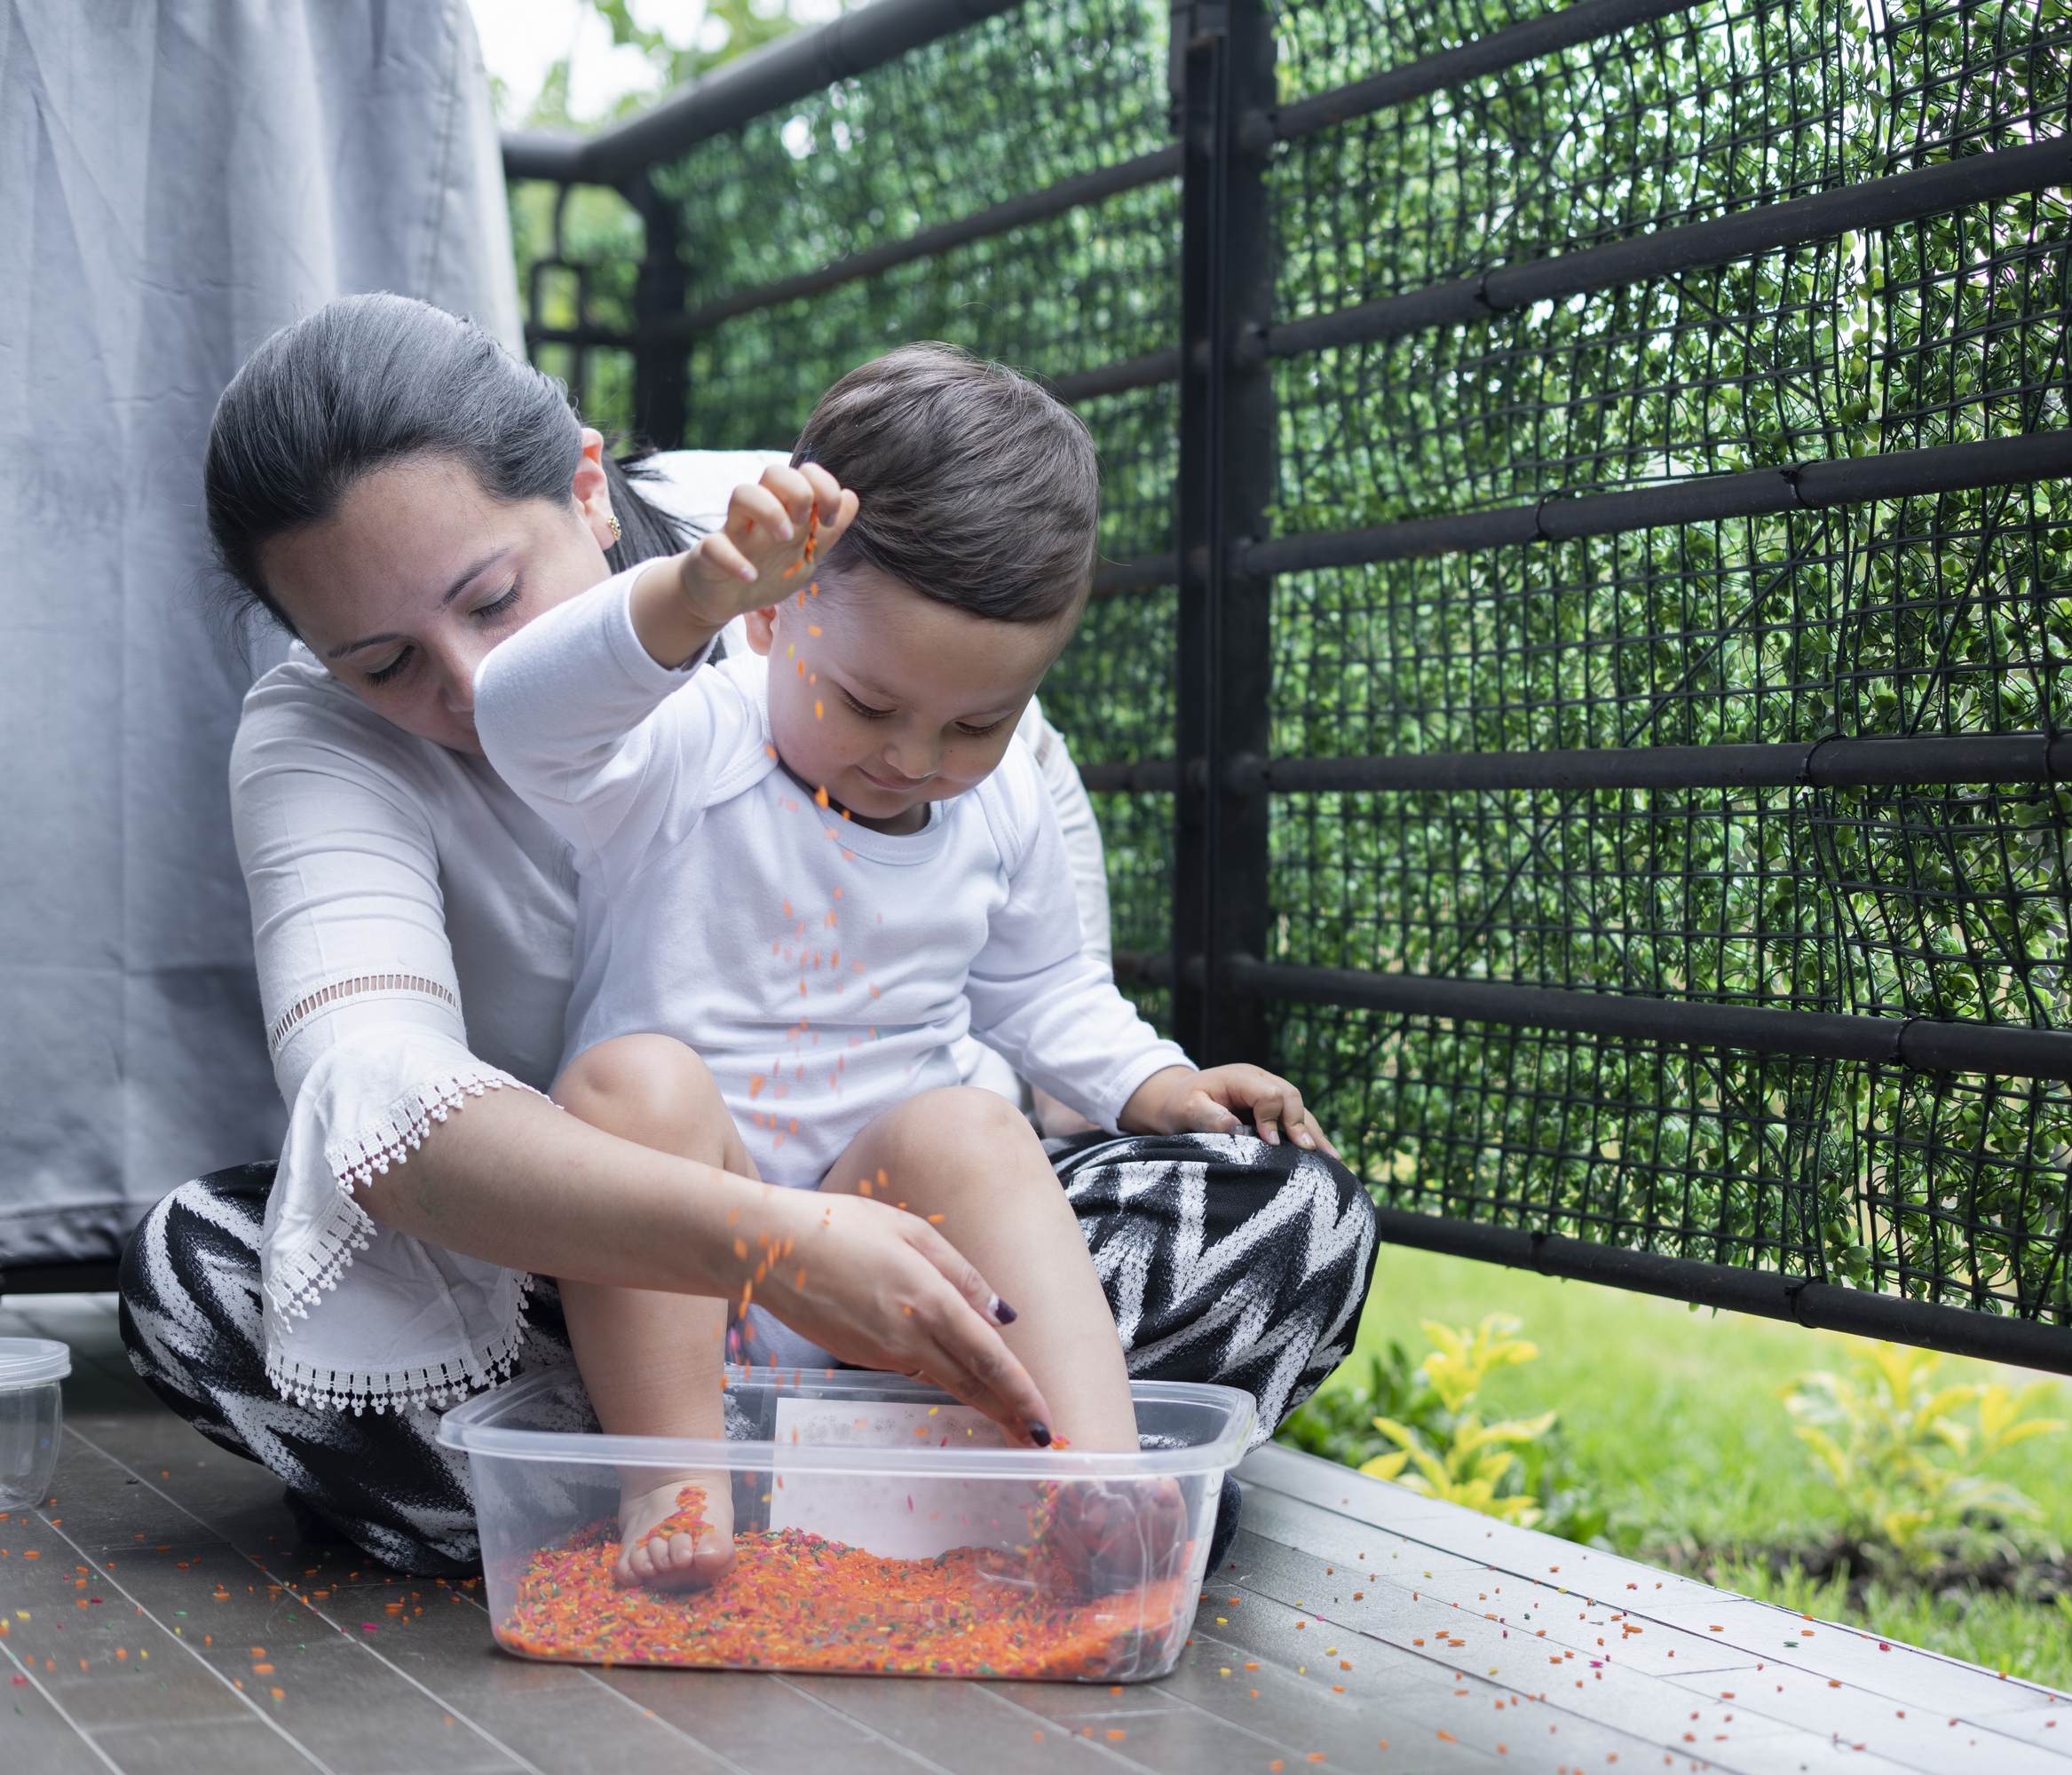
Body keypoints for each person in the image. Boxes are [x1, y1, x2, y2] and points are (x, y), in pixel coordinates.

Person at [117, 294, 1379, 1576]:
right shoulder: (385, 728)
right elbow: (374, 1114)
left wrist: (1134, 1086)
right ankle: (788, 1493)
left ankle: (1045, 1479)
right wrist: (769, 1244)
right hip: (604, 1288)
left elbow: (994, 775)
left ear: (588, 485)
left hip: (913, 1239)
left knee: (1291, 1216)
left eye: (493, 599)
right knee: (199, 1277)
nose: (464, 683)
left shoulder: (801, 536)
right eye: (383, 661)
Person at [471, 343, 1336, 1589]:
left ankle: (1095, 1487)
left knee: (978, 1130)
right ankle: (676, 1488)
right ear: (775, 617)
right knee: (629, 1088)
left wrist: (1156, 1086)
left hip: (904, 1276)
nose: (919, 757)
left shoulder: (1002, 804)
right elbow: (521, 715)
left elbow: (1043, 992)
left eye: (980, 721)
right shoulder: (691, 742)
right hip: (676, 1268)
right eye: (870, 705)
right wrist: (694, 592)